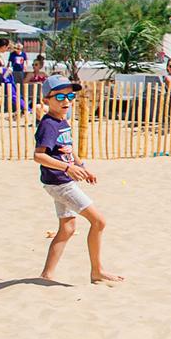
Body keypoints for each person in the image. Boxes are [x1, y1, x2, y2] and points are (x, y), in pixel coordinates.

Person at [34, 77, 120, 284]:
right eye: (60, 96)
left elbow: (68, 151)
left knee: (68, 228)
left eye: (70, 96)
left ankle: (47, 275)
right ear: (47, 100)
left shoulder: (62, 121)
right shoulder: (48, 125)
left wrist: (81, 167)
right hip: (60, 182)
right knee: (99, 222)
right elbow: (39, 156)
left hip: (61, 180)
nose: (66, 101)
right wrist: (67, 167)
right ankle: (97, 271)